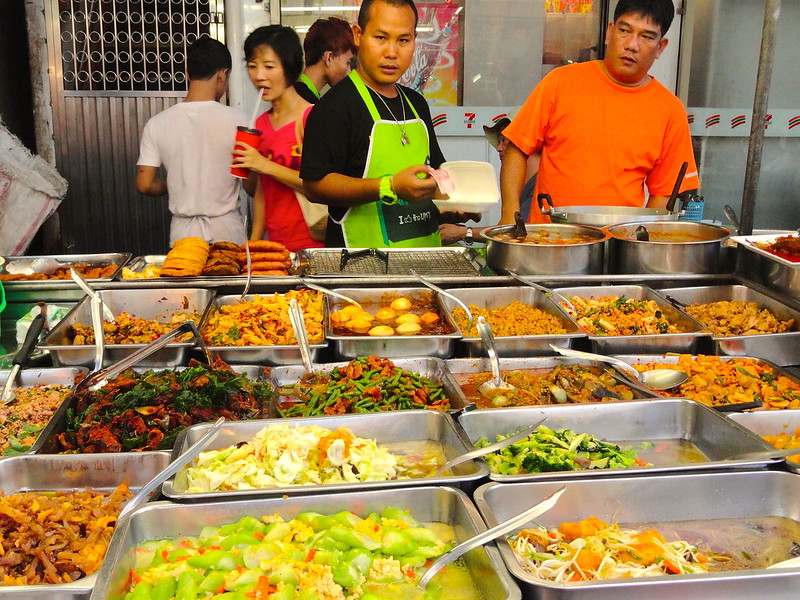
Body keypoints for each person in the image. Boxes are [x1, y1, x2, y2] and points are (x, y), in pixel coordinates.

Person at [500, 0, 699, 225]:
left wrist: (637, 241)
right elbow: (517, 148)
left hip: (615, 246)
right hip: (549, 243)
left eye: (646, 37)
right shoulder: (561, 82)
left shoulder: (669, 110)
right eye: (625, 31)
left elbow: (663, 193)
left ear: (660, 47)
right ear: (609, 32)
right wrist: (509, 215)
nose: (632, 45)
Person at [301, 0, 464, 248]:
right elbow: (315, 185)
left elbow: (437, 171)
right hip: (361, 269)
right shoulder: (334, 107)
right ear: (358, 35)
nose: (391, 52)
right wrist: (389, 186)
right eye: (380, 37)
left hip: (424, 261)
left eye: (403, 40)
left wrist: (458, 202)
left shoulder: (416, 104)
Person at [136, 35, 246, 245]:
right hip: (226, 231)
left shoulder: (157, 123)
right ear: (223, 75)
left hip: (182, 233)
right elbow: (250, 184)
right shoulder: (239, 121)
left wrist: (178, 182)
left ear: (187, 72)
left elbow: (145, 184)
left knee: (184, 275)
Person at [231, 25, 323, 252]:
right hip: (274, 246)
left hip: (312, 246)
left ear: (289, 68)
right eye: (252, 66)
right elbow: (259, 191)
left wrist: (264, 164)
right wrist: (254, 243)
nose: (259, 76)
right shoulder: (260, 123)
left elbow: (322, 187)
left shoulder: (312, 118)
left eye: (269, 66)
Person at [295, 17, 357, 104]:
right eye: (348, 62)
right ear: (329, 58)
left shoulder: (295, 94)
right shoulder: (307, 104)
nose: (349, 71)